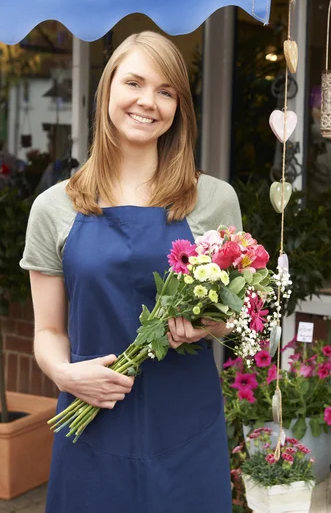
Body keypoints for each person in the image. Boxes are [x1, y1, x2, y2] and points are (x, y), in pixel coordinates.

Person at [20, 31, 242, 513]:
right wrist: (64, 374)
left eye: (166, 91)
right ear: (107, 91)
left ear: (180, 107)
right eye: (135, 83)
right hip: (92, 424)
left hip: (187, 430)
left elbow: (238, 315)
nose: (148, 102)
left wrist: (210, 324)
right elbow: (48, 330)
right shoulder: (53, 208)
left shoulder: (215, 201)